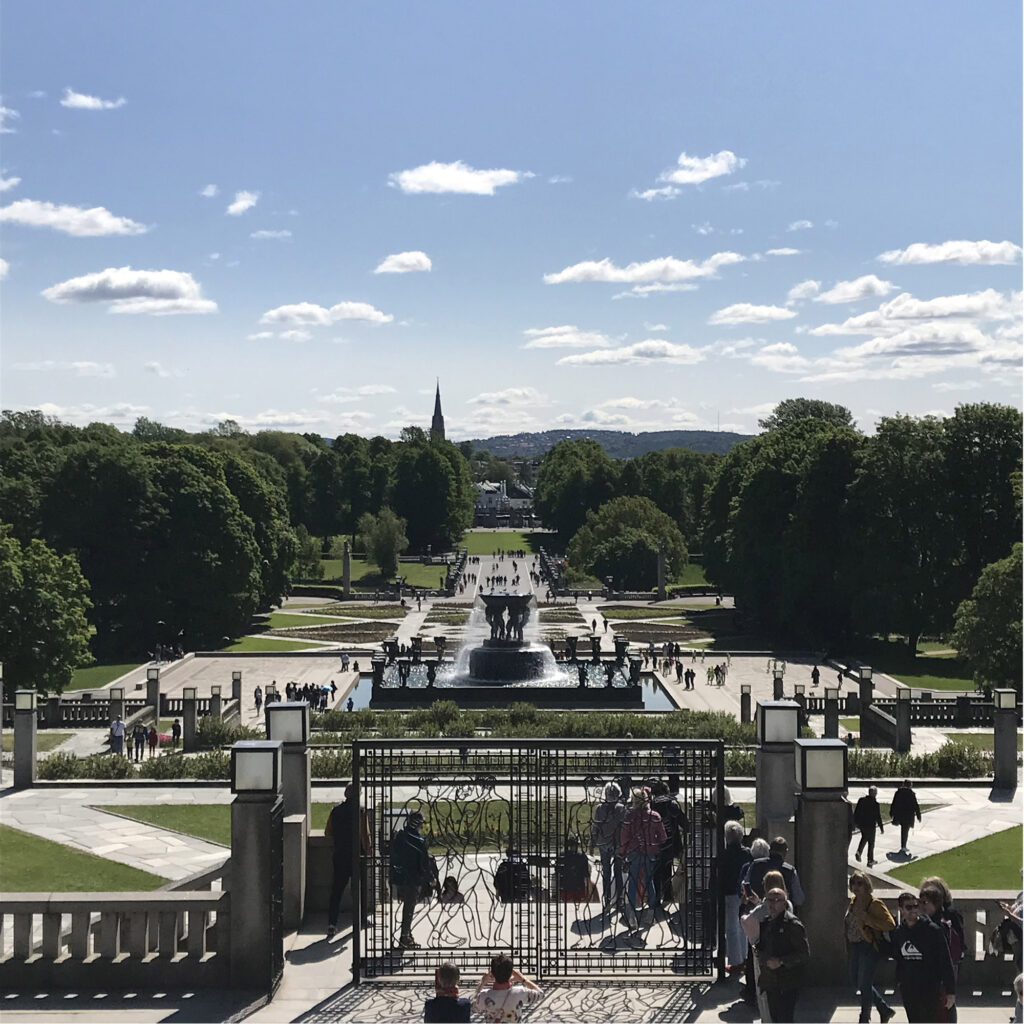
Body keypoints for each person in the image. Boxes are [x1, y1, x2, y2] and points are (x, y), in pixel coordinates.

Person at [892, 891, 955, 1022]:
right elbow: (898, 958)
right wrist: (899, 980)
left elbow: (945, 961)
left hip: (930, 987)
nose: (913, 910)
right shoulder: (899, 933)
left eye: (916, 906)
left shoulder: (933, 931)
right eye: (909, 907)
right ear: (901, 909)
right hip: (908, 988)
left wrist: (950, 991)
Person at [846, 871, 897, 1024]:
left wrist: (867, 919)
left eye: (859, 884)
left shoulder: (874, 903)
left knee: (865, 983)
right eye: (853, 883)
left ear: (867, 885)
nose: (856, 887)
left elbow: (890, 924)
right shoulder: (853, 901)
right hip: (855, 945)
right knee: (856, 981)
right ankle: (884, 1009)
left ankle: (864, 1018)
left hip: (869, 945)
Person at [755, 886, 809, 1023]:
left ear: (784, 903)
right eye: (770, 900)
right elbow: (762, 947)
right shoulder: (766, 923)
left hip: (788, 982)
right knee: (774, 1018)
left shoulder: (793, 924)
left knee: (785, 1018)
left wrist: (781, 961)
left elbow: (804, 954)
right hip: (771, 982)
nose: (773, 903)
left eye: (777, 900)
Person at [325, 783, 370, 939]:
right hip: (357, 856)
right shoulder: (361, 811)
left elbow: (327, 832)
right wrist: (368, 851)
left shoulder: (335, 811)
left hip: (340, 855)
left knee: (336, 891)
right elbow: (365, 835)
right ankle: (361, 920)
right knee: (359, 890)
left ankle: (332, 923)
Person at [619, 788, 667, 932]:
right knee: (649, 882)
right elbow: (663, 837)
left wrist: (623, 852)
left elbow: (624, 837)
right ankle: (650, 913)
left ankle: (632, 914)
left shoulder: (629, 817)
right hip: (650, 853)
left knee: (632, 883)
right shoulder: (655, 816)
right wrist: (655, 842)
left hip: (633, 853)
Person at [919, 880, 965, 1022]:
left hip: (948, 964)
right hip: (937, 969)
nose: (921, 905)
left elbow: (957, 940)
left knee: (946, 1004)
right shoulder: (925, 920)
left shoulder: (944, 919)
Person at [390, 810, 435, 949]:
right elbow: (424, 863)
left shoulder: (400, 836)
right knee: (409, 908)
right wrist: (431, 878)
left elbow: (393, 854)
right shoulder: (419, 840)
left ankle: (407, 934)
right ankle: (405, 937)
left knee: (407, 907)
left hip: (400, 877)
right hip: (413, 879)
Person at [720, 820, 752, 974]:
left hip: (729, 893)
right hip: (743, 892)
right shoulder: (746, 853)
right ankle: (744, 957)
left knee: (731, 928)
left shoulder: (724, 854)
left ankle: (736, 962)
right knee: (742, 926)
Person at [471, 953, 542, 1023]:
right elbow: (540, 994)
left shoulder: (484, 995)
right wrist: (523, 979)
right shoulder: (520, 992)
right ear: (511, 973)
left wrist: (481, 983)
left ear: (492, 974)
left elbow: (472, 1008)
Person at [591, 781, 627, 910]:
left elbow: (595, 826)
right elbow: (625, 828)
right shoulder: (622, 808)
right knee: (618, 872)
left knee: (606, 872)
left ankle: (607, 899)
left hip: (604, 843)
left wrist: (595, 840)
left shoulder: (600, 808)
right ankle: (620, 900)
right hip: (617, 844)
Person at [744, 836, 806, 909]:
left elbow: (745, 886)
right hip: (781, 915)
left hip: (756, 912)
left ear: (769, 850)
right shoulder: (790, 871)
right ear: (785, 852)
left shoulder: (755, 865)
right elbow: (799, 899)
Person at [853, 787, 886, 867]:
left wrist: (855, 822)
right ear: (874, 794)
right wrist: (881, 827)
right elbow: (878, 816)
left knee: (864, 837)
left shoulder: (861, 800)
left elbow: (856, 811)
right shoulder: (875, 804)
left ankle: (859, 853)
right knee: (871, 843)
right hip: (870, 825)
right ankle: (869, 859)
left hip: (862, 824)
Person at [890, 779, 922, 856]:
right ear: (910, 785)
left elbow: (894, 802)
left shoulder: (898, 792)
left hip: (899, 814)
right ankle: (903, 845)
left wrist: (892, 812)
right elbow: (915, 805)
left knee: (903, 830)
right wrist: (918, 815)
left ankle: (903, 845)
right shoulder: (911, 794)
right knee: (905, 830)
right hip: (908, 815)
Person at [555, 836, 591, 902]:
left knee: (567, 904)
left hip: (565, 886)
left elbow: (557, 871)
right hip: (579, 886)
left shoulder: (561, 855)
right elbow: (586, 873)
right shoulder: (582, 855)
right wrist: (588, 890)